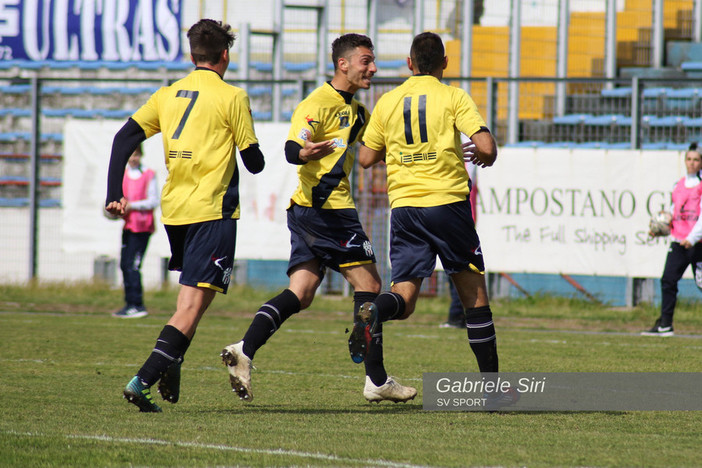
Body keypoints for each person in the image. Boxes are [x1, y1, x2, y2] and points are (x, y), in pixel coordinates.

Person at [220, 33, 416, 404]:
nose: (372, 68)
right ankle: (375, 379)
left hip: (308, 211)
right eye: (365, 61)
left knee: (302, 292)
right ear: (343, 64)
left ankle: (244, 350)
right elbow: (295, 146)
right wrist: (304, 152)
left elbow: (374, 147)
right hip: (328, 210)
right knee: (370, 287)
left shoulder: (357, 112)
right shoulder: (317, 103)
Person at [105, 19, 265, 412]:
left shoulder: (168, 94)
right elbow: (255, 162)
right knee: (193, 305)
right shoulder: (232, 97)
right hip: (213, 211)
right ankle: (143, 379)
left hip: (176, 211)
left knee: (190, 301)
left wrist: (114, 193)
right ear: (225, 55)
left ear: (191, 55)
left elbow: (124, 137)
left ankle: (172, 360)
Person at [354, 32, 501, 377]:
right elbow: (487, 147)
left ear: (409, 64)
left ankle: (375, 310)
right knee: (474, 298)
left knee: (403, 299)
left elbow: (365, 158)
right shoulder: (453, 96)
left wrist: (400, 150)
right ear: (445, 63)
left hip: (404, 208)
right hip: (447, 204)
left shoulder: (388, 101)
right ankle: (493, 389)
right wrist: (482, 154)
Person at [642, 143, 702, 337]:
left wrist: (692, 238)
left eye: (696, 160)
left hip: (697, 244)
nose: (692, 163)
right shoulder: (678, 185)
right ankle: (665, 325)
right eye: (689, 159)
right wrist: (660, 227)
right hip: (678, 242)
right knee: (668, 280)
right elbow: (673, 212)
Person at [112, 144, 159, 319]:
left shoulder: (148, 174)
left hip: (142, 226)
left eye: (136, 155)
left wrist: (133, 205)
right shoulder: (123, 175)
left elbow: (153, 200)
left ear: (141, 155)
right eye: (131, 155)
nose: (133, 158)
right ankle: (129, 303)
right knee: (125, 264)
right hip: (129, 225)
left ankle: (137, 304)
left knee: (133, 265)